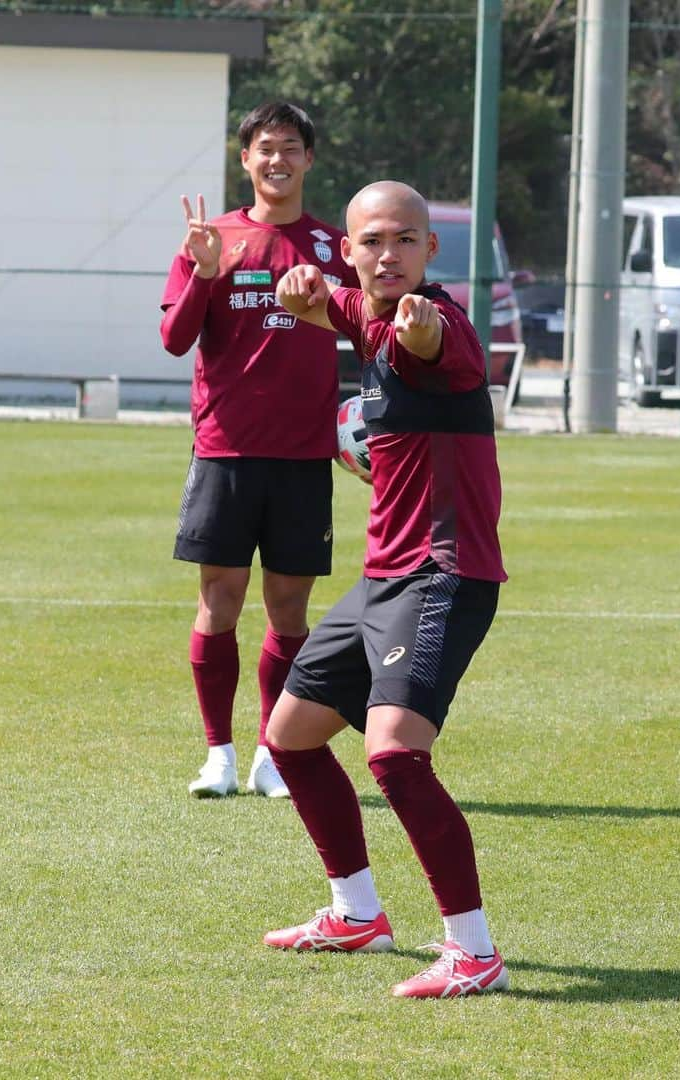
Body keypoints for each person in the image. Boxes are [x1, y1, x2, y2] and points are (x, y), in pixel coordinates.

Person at [263, 181, 509, 998]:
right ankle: (355, 912)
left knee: (396, 753)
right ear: (351, 249)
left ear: (431, 251)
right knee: (290, 737)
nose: (388, 254)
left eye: (405, 239)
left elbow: (428, 342)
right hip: (381, 579)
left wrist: (426, 327)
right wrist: (302, 291)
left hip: (443, 575)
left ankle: (474, 952)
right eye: (371, 241)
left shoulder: (438, 329)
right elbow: (335, 301)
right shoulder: (364, 309)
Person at [159, 102, 357, 799]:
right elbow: (175, 340)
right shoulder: (210, 240)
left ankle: (275, 754)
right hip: (226, 450)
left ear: (309, 159)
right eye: (265, 148)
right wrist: (206, 272)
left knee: (288, 610)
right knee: (220, 599)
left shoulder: (337, 248)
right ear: (245, 160)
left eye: (291, 147)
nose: (277, 159)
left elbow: (376, 332)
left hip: (304, 456)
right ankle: (218, 755)